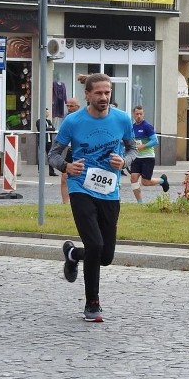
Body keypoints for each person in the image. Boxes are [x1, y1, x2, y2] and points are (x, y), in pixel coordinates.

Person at [48, 73, 138, 322]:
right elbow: (53, 155)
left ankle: (73, 255)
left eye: (107, 92)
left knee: (105, 256)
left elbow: (132, 149)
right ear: (88, 95)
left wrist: (124, 162)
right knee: (96, 246)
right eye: (98, 93)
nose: (104, 97)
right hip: (81, 189)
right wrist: (66, 167)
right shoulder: (73, 122)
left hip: (110, 191)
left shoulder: (122, 119)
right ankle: (92, 304)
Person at [129, 105, 169, 203]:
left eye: (141, 114)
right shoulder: (132, 127)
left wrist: (143, 146)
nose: (139, 116)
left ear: (143, 114)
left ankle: (162, 180)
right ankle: (140, 203)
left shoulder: (147, 126)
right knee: (133, 178)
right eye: (137, 114)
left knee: (145, 182)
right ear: (133, 115)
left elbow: (155, 141)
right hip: (136, 157)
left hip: (148, 157)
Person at [60, 97, 80, 204]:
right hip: (71, 150)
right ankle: (65, 203)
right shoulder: (67, 118)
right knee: (64, 177)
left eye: (71, 106)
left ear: (78, 107)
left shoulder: (83, 118)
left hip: (83, 151)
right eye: (67, 106)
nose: (69, 108)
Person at [36, 107, 57, 177]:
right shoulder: (39, 121)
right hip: (42, 140)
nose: (47, 114)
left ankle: (51, 171)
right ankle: (40, 170)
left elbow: (53, 129)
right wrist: (48, 128)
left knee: (50, 156)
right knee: (41, 155)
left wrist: (48, 128)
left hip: (49, 141)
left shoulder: (49, 121)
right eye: (46, 112)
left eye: (48, 112)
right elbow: (41, 128)